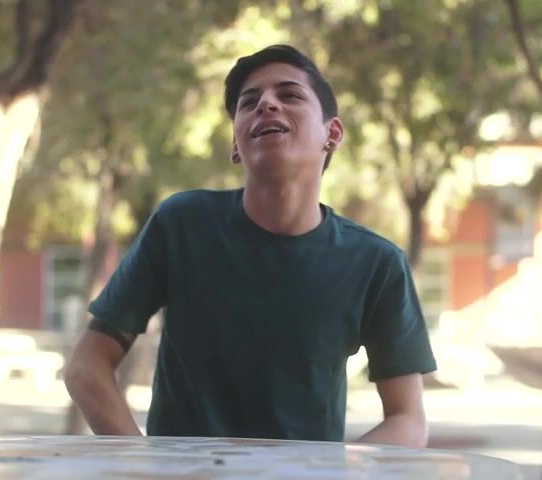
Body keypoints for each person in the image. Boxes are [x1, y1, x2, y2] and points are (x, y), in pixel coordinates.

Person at [64, 45, 437, 447]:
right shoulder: (181, 225)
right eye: (249, 102)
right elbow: (86, 366)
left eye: (289, 94)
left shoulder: (377, 263)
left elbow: (408, 419)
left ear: (331, 134)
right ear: (236, 145)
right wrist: (146, 466)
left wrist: (332, 471)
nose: (266, 105)